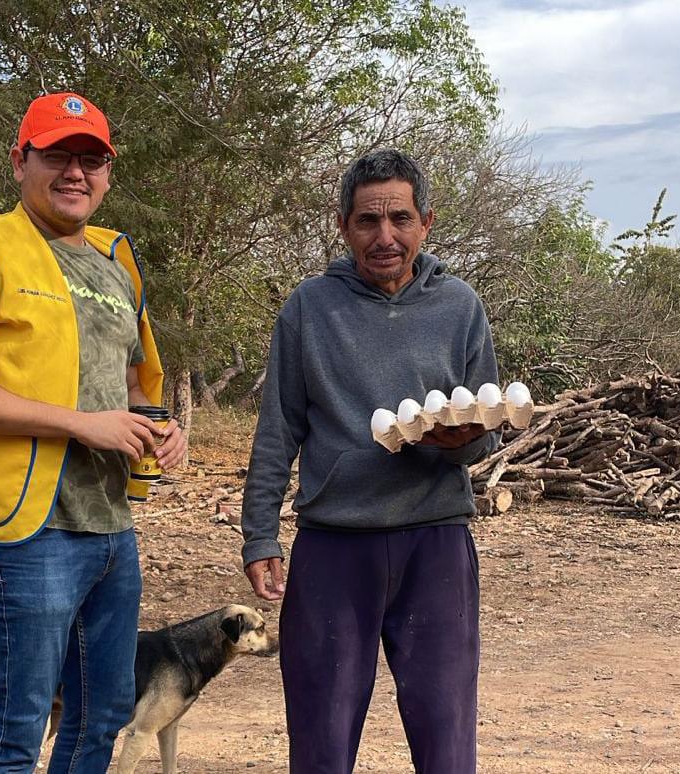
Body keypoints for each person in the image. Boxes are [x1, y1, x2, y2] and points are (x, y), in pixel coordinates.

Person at [0, 91, 186, 773]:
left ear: (108, 173)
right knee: (16, 728)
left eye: (91, 159)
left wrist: (159, 428)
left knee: (99, 721)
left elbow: (125, 386)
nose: (75, 172)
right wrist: (78, 425)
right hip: (27, 530)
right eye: (57, 154)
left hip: (109, 526)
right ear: (19, 160)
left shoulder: (115, 261)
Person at [241, 149, 498, 773]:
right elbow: (279, 428)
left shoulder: (460, 306)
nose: (385, 236)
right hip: (334, 547)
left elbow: (484, 429)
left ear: (426, 223)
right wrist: (258, 535)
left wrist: (454, 442)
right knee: (321, 741)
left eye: (400, 219)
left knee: (446, 740)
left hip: (435, 542)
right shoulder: (309, 308)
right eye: (367, 221)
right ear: (343, 227)